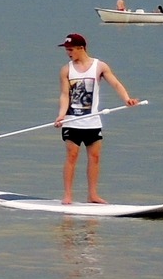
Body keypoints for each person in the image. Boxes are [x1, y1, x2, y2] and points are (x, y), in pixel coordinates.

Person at [55, 33, 138, 204]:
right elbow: (65, 95)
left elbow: (115, 83)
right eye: (67, 50)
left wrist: (126, 99)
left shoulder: (99, 66)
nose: (68, 53)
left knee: (95, 157)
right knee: (72, 155)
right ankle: (68, 195)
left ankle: (92, 195)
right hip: (72, 121)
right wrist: (61, 115)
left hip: (93, 121)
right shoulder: (66, 70)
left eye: (70, 49)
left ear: (81, 48)